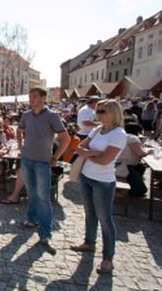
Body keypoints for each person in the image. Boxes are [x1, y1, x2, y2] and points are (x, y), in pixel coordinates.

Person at [71, 99, 127, 274]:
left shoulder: (118, 134)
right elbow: (78, 147)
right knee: (89, 213)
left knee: (105, 219)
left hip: (103, 182)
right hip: (87, 176)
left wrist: (89, 154)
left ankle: (108, 258)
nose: (98, 114)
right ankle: (89, 242)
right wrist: (92, 153)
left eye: (101, 111)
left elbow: (105, 161)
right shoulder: (97, 130)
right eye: (97, 111)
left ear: (113, 113)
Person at [17, 87, 70, 254]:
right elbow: (18, 130)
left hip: (42, 163)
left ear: (43, 98)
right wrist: (21, 147)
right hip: (27, 160)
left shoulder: (52, 116)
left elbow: (65, 138)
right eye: (30, 96)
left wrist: (56, 157)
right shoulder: (26, 115)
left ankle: (45, 233)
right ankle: (31, 219)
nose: (31, 99)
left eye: (34, 96)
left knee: (43, 198)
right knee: (31, 193)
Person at [115, 122, 151, 196]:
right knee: (142, 190)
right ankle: (122, 193)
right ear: (138, 132)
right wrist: (150, 151)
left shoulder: (123, 136)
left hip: (118, 164)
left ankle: (132, 184)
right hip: (124, 167)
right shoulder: (133, 138)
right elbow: (141, 153)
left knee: (141, 167)